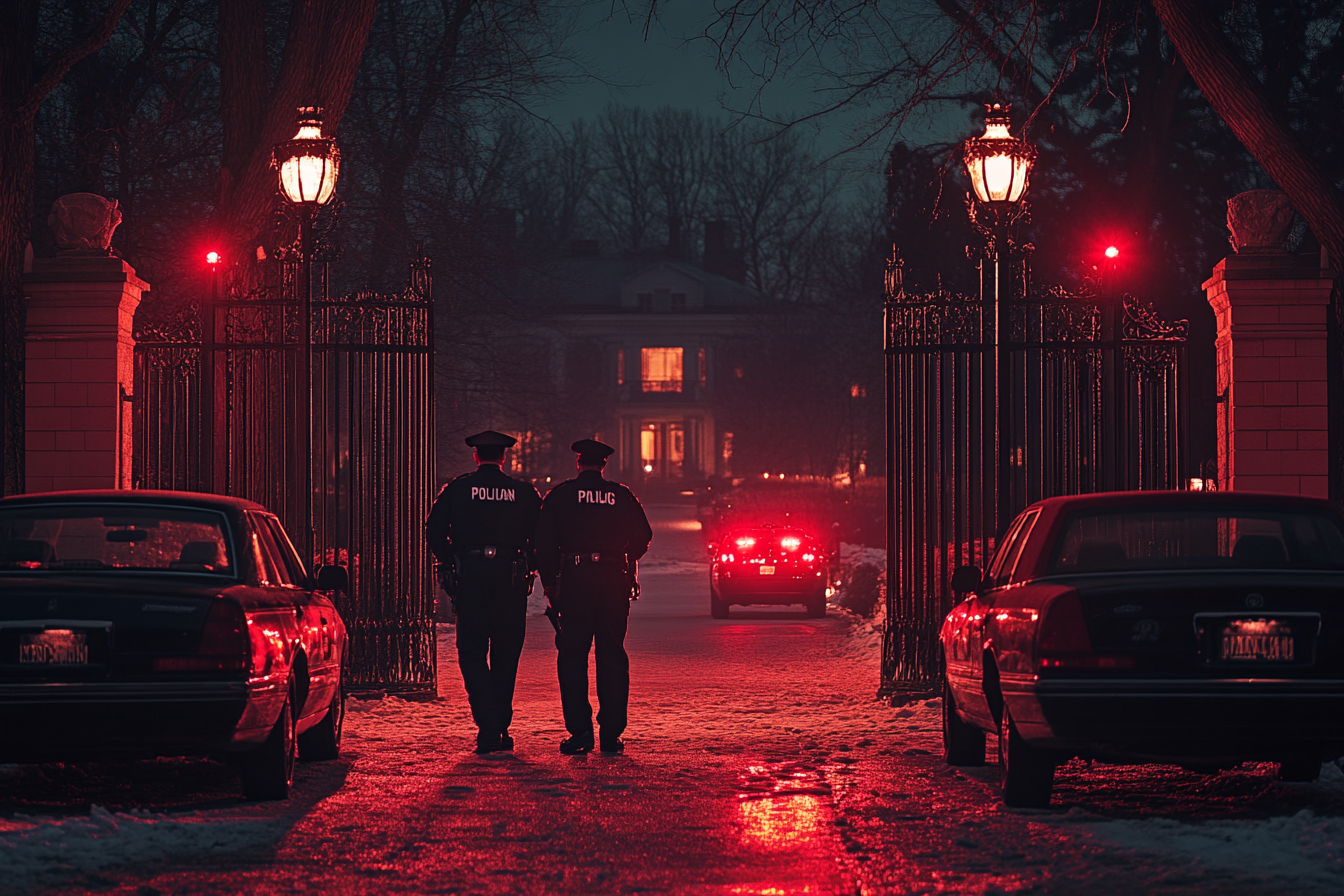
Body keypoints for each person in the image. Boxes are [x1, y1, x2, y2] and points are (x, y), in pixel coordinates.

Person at [425, 430, 542, 754]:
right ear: (503, 458)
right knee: (506, 653)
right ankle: (499, 724)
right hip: (510, 578)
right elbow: (542, 536)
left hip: (472, 577)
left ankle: (489, 725)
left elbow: (433, 531)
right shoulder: (523, 491)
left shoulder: (458, 488)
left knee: (472, 652)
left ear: (476, 456)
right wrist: (528, 563)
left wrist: (451, 560)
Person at [535, 439, 653, 755]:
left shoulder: (560, 495)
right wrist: (625, 558)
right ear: (603, 465)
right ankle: (611, 735)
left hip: (575, 580)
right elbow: (644, 536)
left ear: (578, 463)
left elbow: (543, 542)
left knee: (573, 655)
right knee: (612, 654)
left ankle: (581, 734)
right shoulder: (621, 495)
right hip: (613, 579)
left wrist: (550, 583)